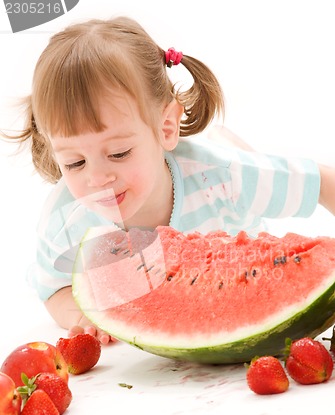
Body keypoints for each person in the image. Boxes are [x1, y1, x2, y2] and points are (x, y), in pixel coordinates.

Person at [6, 16, 335, 344]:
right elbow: (54, 287)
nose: (98, 178)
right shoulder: (65, 221)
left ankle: (230, 141)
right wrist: (82, 315)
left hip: (219, 178)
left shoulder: (226, 178)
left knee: (245, 166)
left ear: (166, 127)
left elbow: (320, 181)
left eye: (119, 153)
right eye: (74, 162)